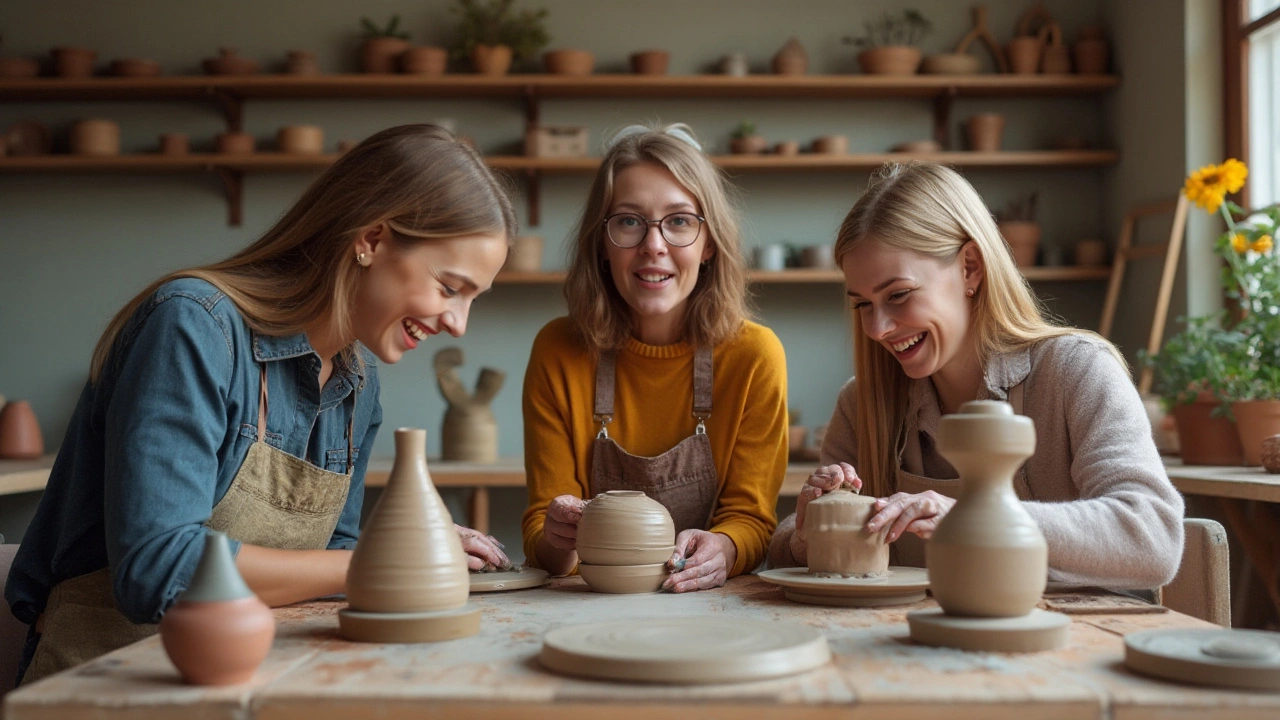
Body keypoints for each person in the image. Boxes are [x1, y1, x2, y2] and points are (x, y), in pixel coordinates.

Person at [5, 124, 517, 685]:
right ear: (371, 239)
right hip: (106, 682)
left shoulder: (356, 379)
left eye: (473, 298)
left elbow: (330, 565)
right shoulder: (193, 327)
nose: (458, 324)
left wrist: (409, 549)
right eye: (449, 287)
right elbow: (157, 570)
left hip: (257, 677)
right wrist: (389, 563)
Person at [767, 162, 1184, 589]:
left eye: (898, 295)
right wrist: (814, 522)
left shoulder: (1077, 371)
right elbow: (781, 552)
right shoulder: (862, 404)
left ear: (969, 267)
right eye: (863, 305)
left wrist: (978, 520)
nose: (877, 329)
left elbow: (1153, 539)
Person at [521, 123, 788, 592]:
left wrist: (723, 547)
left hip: (708, 605)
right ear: (602, 244)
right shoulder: (558, 351)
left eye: (680, 221)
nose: (654, 245)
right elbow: (545, 541)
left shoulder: (754, 356)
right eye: (629, 221)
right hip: (592, 603)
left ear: (708, 246)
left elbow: (750, 521)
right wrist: (557, 536)